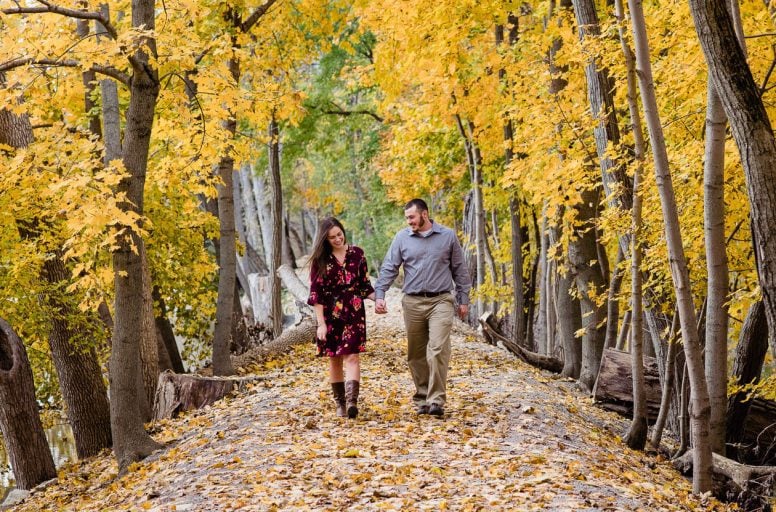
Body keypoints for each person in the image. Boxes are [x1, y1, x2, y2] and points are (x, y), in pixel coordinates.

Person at [374, 198, 471, 417]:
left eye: (412, 217)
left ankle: (436, 400)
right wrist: (380, 294)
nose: (409, 222)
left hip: (441, 300)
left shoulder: (447, 236)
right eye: (407, 218)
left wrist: (463, 299)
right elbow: (390, 267)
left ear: (424, 214)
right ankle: (422, 397)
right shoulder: (402, 238)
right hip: (413, 302)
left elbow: (460, 270)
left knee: (437, 349)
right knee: (416, 353)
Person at [307, 217, 375, 418]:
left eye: (339, 234)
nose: (337, 239)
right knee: (335, 359)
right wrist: (321, 324)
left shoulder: (357, 254)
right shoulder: (320, 261)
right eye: (332, 237)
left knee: (353, 356)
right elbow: (315, 295)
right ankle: (340, 403)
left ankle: (353, 402)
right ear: (325, 240)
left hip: (354, 313)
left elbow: (365, 286)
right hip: (330, 315)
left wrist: (378, 299)